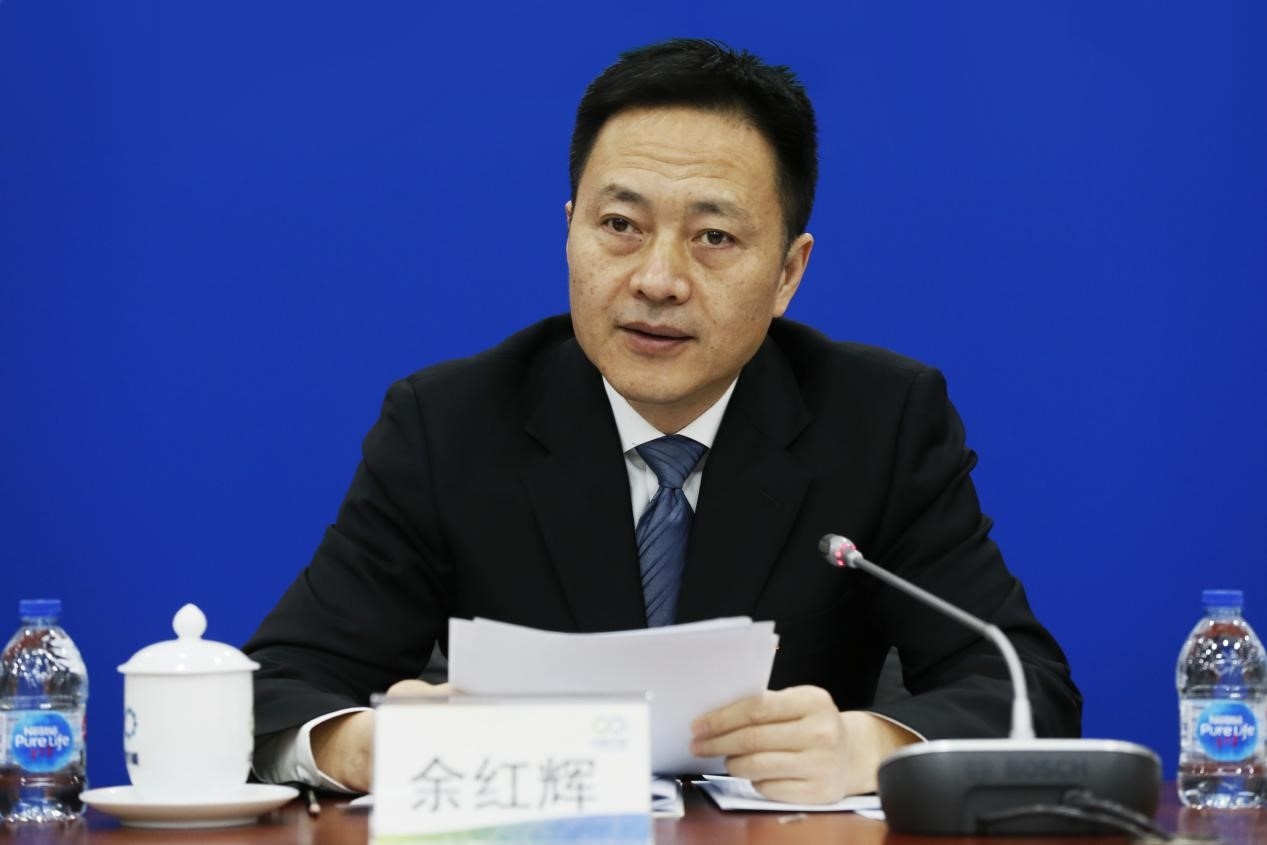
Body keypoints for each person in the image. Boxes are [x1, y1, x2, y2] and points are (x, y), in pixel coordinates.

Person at [245, 38, 1081, 804]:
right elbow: (274, 684)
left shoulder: (879, 422)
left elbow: (1025, 686)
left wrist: (869, 746)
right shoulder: (449, 424)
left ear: (788, 272)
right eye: (619, 225)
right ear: (568, 230)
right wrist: (364, 745)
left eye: (712, 236)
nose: (657, 279)